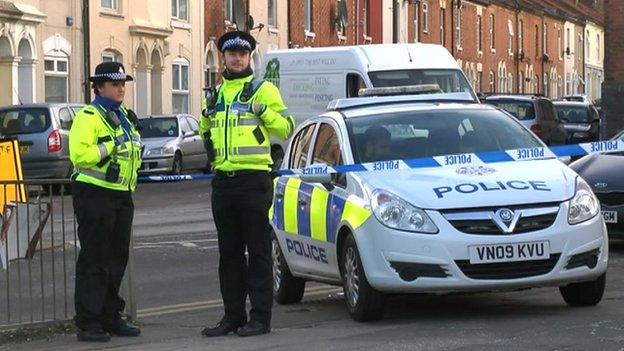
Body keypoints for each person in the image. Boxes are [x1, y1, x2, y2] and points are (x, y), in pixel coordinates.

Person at [199, 30, 295, 338]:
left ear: (249, 56)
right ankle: (233, 316)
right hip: (223, 183)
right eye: (231, 53)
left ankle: (260, 318)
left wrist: (263, 111)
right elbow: (206, 129)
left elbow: (285, 127)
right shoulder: (215, 95)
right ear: (223, 58)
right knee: (228, 254)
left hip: (253, 181)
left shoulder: (262, 90)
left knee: (258, 251)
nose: (237, 58)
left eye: (242, 53)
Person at [69, 61, 142, 342]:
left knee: (116, 259)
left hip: (121, 194)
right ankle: (88, 322)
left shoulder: (123, 115)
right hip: (94, 194)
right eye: (114, 84)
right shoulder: (88, 117)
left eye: (123, 83)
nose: (121, 88)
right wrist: (111, 146)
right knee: (95, 259)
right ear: (98, 87)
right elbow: (80, 155)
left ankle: (111, 316)